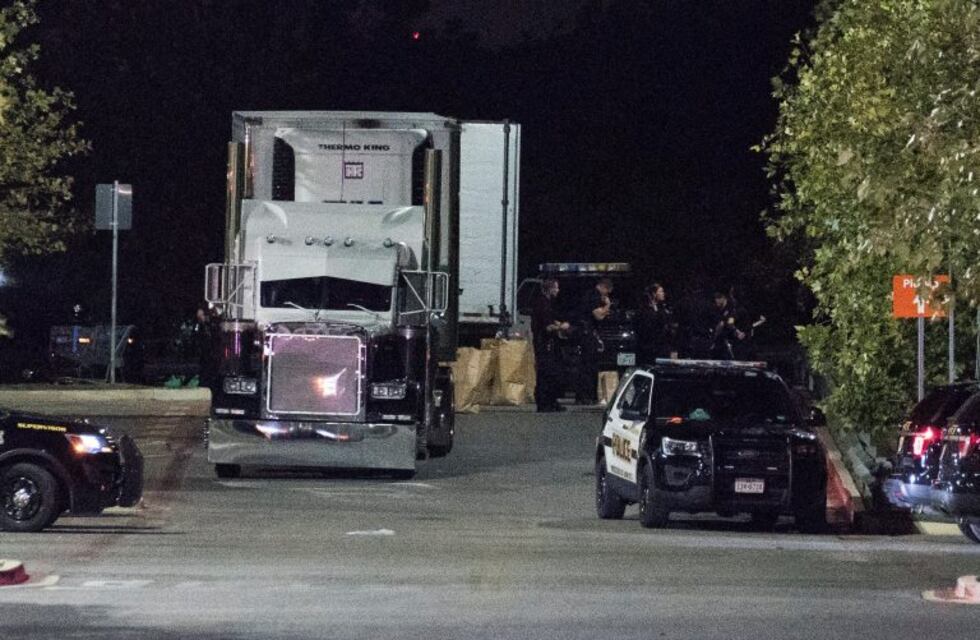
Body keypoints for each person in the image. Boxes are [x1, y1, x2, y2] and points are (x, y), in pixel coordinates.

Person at [531, 279, 570, 412]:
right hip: (545, 343)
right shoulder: (543, 304)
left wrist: (557, 323)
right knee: (546, 373)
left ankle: (551, 402)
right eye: (556, 288)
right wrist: (561, 327)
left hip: (547, 342)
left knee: (552, 373)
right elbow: (547, 327)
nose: (558, 291)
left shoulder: (547, 303)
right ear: (550, 289)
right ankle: (545, 403)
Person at [575, 277, 613, 404]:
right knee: (589, 365)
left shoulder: (588, 294)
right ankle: (587, 396)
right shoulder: (594, 296)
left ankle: (582, 396)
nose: (606, 295)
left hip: (585, 333)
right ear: (604, 287)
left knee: (585, 365)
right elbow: (598, 316)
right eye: (607, 292)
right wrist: (607, 304)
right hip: (588, 334)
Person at [636, 282, 677, 363]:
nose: (663, 294)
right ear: (654, 294)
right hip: (649, 346)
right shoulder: (644, 310)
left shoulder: (663, 308)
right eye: (661, 291)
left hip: (662, 346)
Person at [710, 289, 745, 360]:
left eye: (719, 297)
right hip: (718, 337)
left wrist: (737, 332)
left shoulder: (731, 309)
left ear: (724, 298)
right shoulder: (715, 309)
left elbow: (730, 323)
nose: (716, 300)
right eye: (715, 298)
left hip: (730, 336)